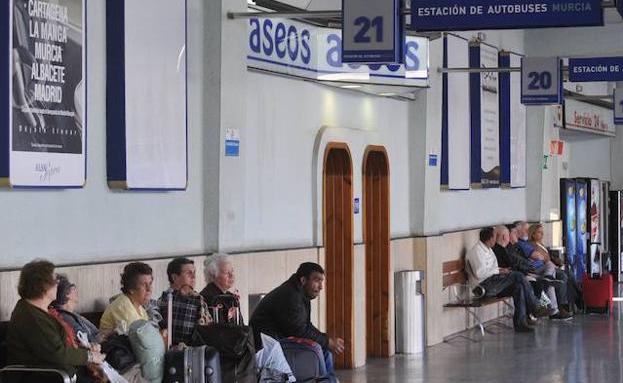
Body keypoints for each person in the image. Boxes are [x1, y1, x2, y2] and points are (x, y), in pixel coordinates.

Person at [7, 260, 105, 382]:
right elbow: (57, 353)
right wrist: (89, 357)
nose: (58, 283)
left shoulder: (38, 311)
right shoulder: (31, 318)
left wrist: (86, 353)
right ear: (43, 286)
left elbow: (59, 346)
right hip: (47, 376)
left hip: (60, 372)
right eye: (55, 280)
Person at [250, 262, 344, 381]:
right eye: (317, 280)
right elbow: (298, 330)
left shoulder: (301, 293)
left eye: (322, 281)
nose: (321, 286)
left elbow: (306, 326)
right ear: (303, 280)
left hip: (279, 339)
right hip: (269, 346)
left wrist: (326, 340)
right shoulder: (290, 295)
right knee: (319, 348)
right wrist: (327, 341)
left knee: (324, 348)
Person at [465, 228, 550, 332]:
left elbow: (493, 268)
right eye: (495, 237)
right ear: (490, 238)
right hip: (483, 287)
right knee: (517, 276)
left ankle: (520, 323)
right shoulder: (476, 252)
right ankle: (535, 307)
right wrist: (499, 271)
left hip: (494, 282)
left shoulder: (489, 250)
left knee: (518, 287)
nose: (496, 240)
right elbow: (480, 273)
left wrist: (501, 270)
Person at [157, 257, 212, 346]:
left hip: (190, 353)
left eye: (194, 273)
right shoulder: (161, 302)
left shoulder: (199, 301)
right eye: (188, 273)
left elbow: (206, 334)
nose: (193, 277)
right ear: (175, 278)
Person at [528, 224, 573, 320]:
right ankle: (561, 306)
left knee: (568, 276)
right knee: (562, 277)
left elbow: (547, 257)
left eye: (542, 232)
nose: (542, 234)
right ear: (533, 234)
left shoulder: (541, 244)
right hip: (541, 269)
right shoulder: (531, 245)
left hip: (548, 267)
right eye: (539, 232)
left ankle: (567, 304)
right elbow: (544, 259)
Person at [100, 262, 154, 333]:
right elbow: (138, 338)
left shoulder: (140, 308)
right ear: (131, 288)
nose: (149, 289)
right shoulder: (122, 306)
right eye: (144, 285)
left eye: (150, 283)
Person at [50, 275, 101, 345]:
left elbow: (96, 332)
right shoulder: (64, 317)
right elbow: (86, 340)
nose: (76, 290)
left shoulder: (72, 313)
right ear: (66, 294)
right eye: (72, 287)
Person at [200, 253, 242, 323]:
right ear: (213, 275)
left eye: (232, 271)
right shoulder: (207, 298)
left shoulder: (230, 296)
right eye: (226, 273)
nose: (231, 275)